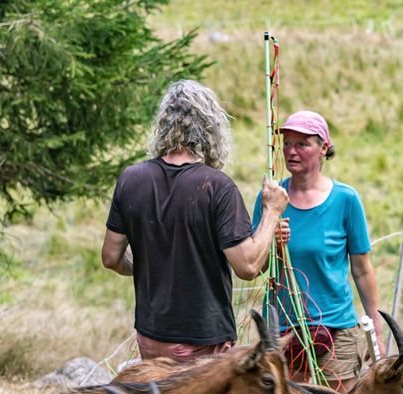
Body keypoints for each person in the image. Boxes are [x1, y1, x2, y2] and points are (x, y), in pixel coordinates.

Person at [102, 80, 289, 363]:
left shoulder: (131, 179)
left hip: (150, 337)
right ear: (211, 129)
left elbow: (111, 258)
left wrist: (146, 265)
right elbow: (248, 266)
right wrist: (272, 212)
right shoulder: (217, 187)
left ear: (164, 124)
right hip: (204, 342)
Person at [252, 110, 385, 393]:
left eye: (303, 144)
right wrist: (273, 242)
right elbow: (255, 266)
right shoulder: (271, 198)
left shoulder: (345, 200)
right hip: (282, 330)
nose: (292, 151)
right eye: (287, 143)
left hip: (336, 328)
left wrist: (377, 332)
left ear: (324, 147)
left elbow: (362, 270)